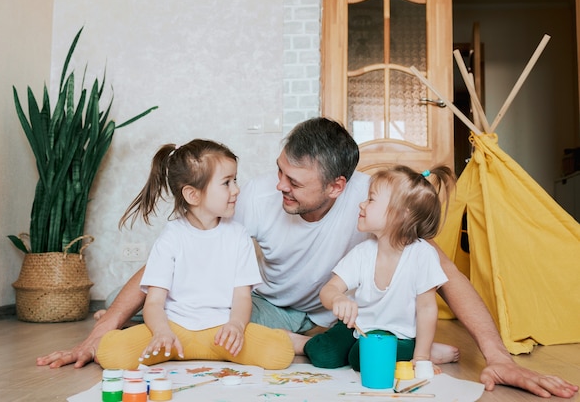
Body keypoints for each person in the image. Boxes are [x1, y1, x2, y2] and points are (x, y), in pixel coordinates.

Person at [37, 118, 578, 399]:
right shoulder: (254, 197)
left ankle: (391, 345)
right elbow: (164, 262)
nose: (279, 187)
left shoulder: (374, 201)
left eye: (294, 182)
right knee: (174, 315)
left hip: (334, 317)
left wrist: (497, 356)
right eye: (278, 171)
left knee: (350, 340)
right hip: (267, 308)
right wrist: (101, 328)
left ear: (340, 187)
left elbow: (443, 274)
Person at [94, 139, 294, 370]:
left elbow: (242, 298)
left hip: (221, 333)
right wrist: (161, 332)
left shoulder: (239, 236)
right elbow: (154, 302)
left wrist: (236, 327)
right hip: (173, 330)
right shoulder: (171, 238)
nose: (236, 189)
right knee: (111, 353)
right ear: (192, 195)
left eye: (235, 180)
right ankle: (164, 346)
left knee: (279, 353)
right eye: (227, 183)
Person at [303, 165, 456, 372]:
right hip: (356, 327)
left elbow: (427, 308)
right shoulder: (362, 252)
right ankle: (300, 343)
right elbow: (328, 290)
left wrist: (421, 357)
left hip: (396, 334)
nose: (362, 204)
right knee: (323, 354)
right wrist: (338, 298)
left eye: (371, 199)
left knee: (361, 357)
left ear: (401, 214)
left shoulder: (422, 255)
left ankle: (423, 350)